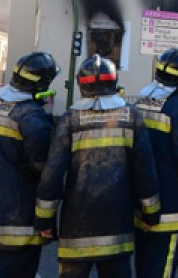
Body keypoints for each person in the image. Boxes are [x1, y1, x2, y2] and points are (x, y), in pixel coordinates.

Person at [36, 54, 161, 278]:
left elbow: (52, 172)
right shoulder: (132, 117)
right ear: (114, 81)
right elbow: (145, 171)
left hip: (76, 225)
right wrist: (150, 213)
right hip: (118, 225)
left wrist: (45, 218)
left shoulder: (70, 119)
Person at [0, 51, 59, 277]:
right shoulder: (32, 119)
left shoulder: (3, 110)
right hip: (20, 219)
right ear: (42, 84)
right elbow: (45, 170)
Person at [133, 47, 178, 278]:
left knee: (143, 263)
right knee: (162, 267)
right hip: (169, 206)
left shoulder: (140, 103)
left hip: (140, 202)